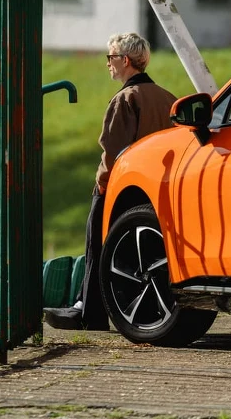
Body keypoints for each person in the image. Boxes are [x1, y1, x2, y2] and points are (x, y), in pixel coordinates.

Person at [43, 32, 177, 330]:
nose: (108, 63)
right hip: (154, 191)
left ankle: (88, 313)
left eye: (111, 57)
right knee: (143, 255)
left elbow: (113, 150)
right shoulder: (168, 98)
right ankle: (143, 311)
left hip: (120, 187)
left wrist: (102, 184)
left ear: (125, 60)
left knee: (97, 246)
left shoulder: (125, 99)